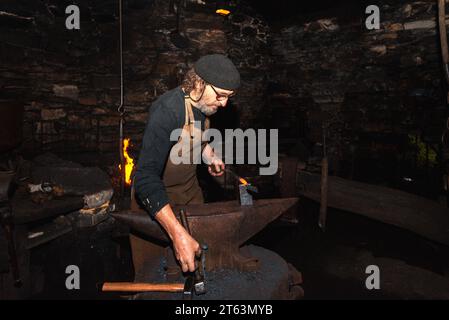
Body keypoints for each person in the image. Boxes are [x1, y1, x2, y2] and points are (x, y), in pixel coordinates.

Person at [134, 54, 240, 274]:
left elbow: (196, 138)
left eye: (229, 97)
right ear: (199, 82)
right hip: (157, 201)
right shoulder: (168, 110)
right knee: (156, 272)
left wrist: (209, 155)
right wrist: (176, 233)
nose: (224, 104)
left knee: (205, 263)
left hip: (190, 193)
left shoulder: (204, 106)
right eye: (221, 95)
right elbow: (145, 177)